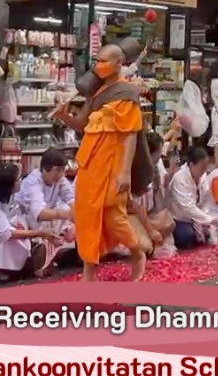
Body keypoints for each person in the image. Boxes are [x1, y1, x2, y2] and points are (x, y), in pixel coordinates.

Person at [50, 39, 154, 282]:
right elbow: (83, 125)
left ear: (119, 64)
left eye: (104, 61)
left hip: (114, 165)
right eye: (97, 61)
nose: (99, 66)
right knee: (86, 215)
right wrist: (63, 115)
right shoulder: (95, 91)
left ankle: (138, 252)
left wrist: (125, 173)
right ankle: (89, 272)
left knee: (113, 216)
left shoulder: (127, 92)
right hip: (90, 163)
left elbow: (129, 136)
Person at [168, 146, 218, 249]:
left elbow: (204, 200)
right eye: (201, 168)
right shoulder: (180, 179)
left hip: (200, 213)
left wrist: (209, 218)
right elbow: (188, 208)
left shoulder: (202, 176)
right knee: (187, 238)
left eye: (206, 167)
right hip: (181, 218)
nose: (204, 171)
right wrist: (208, 219)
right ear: (191, 165)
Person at [16, 148, 76, 256]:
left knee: (69, 211)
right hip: (25, 222)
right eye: (57, 170)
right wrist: (65, 214)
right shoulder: (33, 182)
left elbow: (71, 199)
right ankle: (38, 251)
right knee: (61, 211)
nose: (61, 174)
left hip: (45, 220)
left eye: (63, 170)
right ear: (45, 169)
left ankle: (56, 252)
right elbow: (40, 214)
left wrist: (75, 218)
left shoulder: (61, 179)